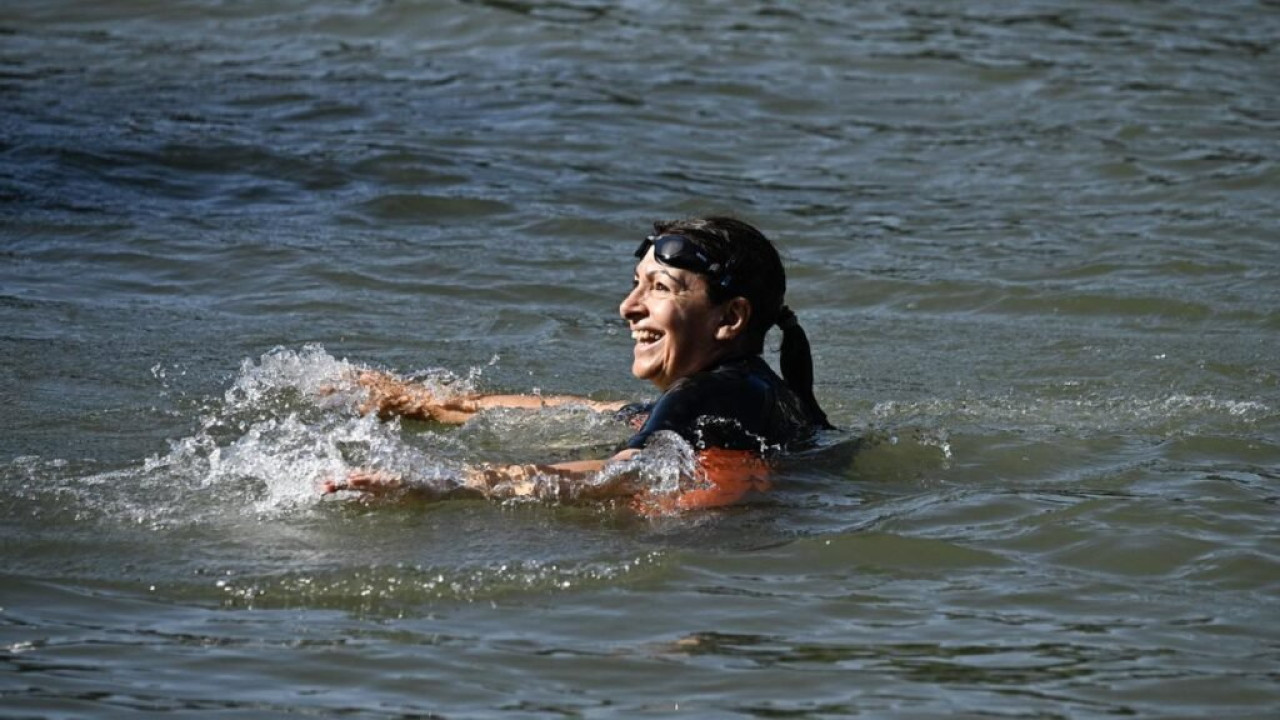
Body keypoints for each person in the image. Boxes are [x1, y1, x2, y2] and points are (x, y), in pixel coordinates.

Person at [325, 216, 832, 512]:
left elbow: (626, 474)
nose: (628, 306)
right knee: (621, 414)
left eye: (658, 289)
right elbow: (587, 410)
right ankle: (429, 404)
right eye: (636, 283)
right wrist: (428, 403)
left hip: (709, 556)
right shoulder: (769, 393)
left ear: (731, 317)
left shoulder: (703, 396)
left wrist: (441, 481)